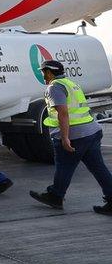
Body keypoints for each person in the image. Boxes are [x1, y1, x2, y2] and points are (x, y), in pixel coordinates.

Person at [29, 60, 112, 215]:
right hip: (91, 131)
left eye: (43, 71)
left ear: (49, 72)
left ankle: (55, 196)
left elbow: (63, 113)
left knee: (64, 166)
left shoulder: (54, 87)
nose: (42, 75)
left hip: (76, 135)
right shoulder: (71, 84)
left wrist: (65, 137)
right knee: (98, 168)